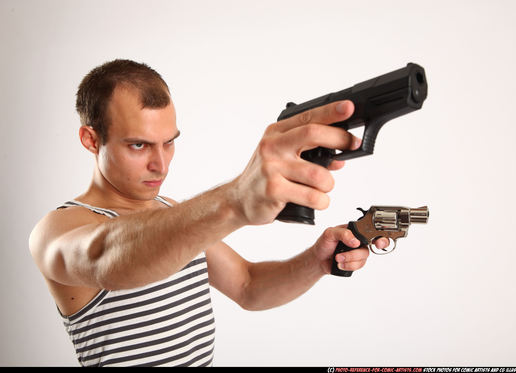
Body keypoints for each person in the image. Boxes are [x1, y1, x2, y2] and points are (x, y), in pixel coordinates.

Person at [29, 59, 387, 367]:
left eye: (169, 142)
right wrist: (233, 201)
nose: (160, 163)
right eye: (139, 145)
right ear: (91, 140)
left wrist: (318, 260)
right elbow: (109, 256)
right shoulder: (58, 229)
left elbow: (248, 286)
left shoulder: (172, 214)